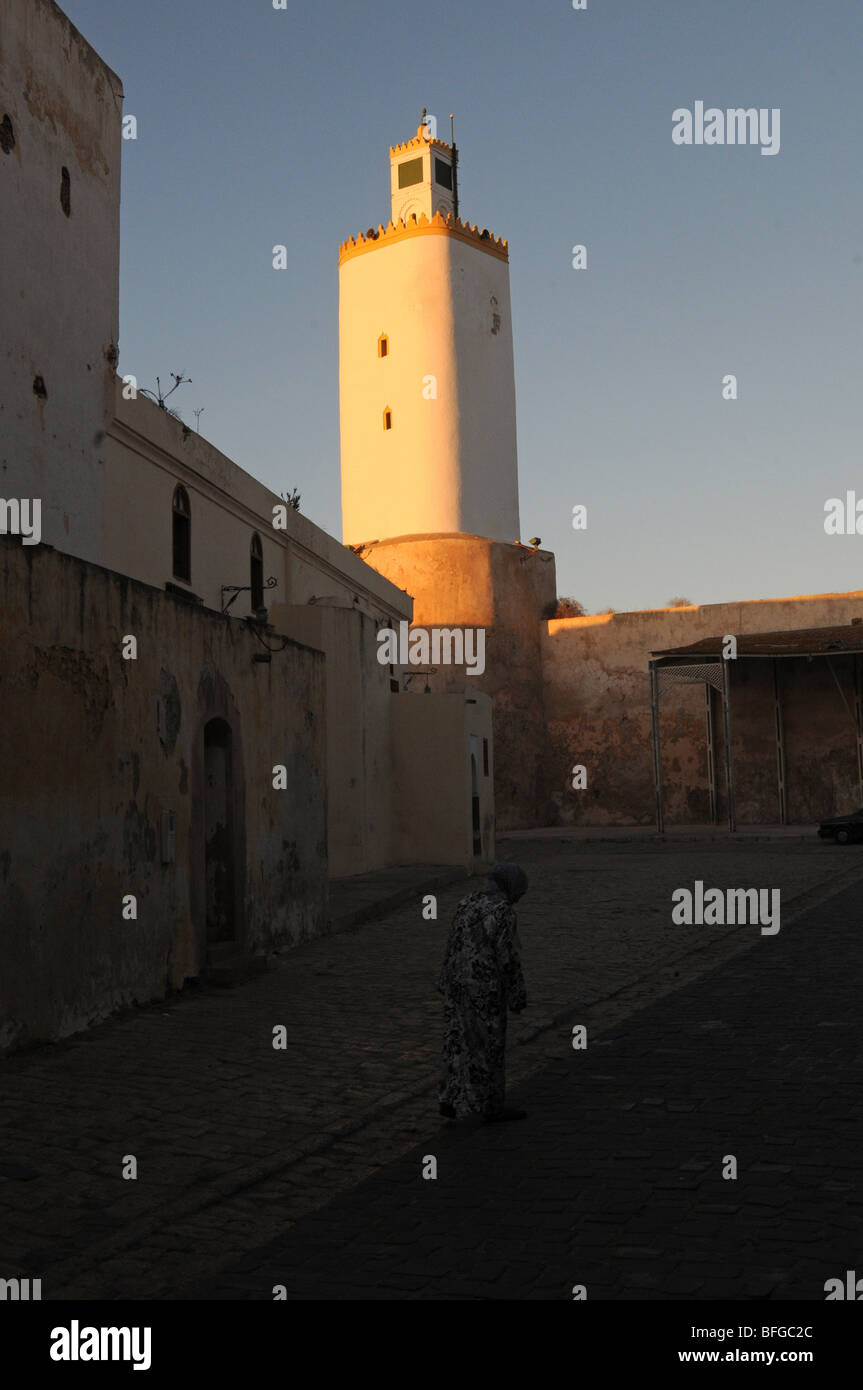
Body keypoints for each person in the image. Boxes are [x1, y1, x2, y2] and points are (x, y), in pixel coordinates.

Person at [437, 861, 529, 1123]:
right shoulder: (502, 911)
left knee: (456, 1041)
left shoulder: (466, 902)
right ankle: (490, 1106)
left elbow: (453, 943)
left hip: (457, 984)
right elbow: (508, 958)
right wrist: (517, 995)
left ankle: (450, 1099)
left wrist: (445, 979)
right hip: (484, 990)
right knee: (488, 1046)